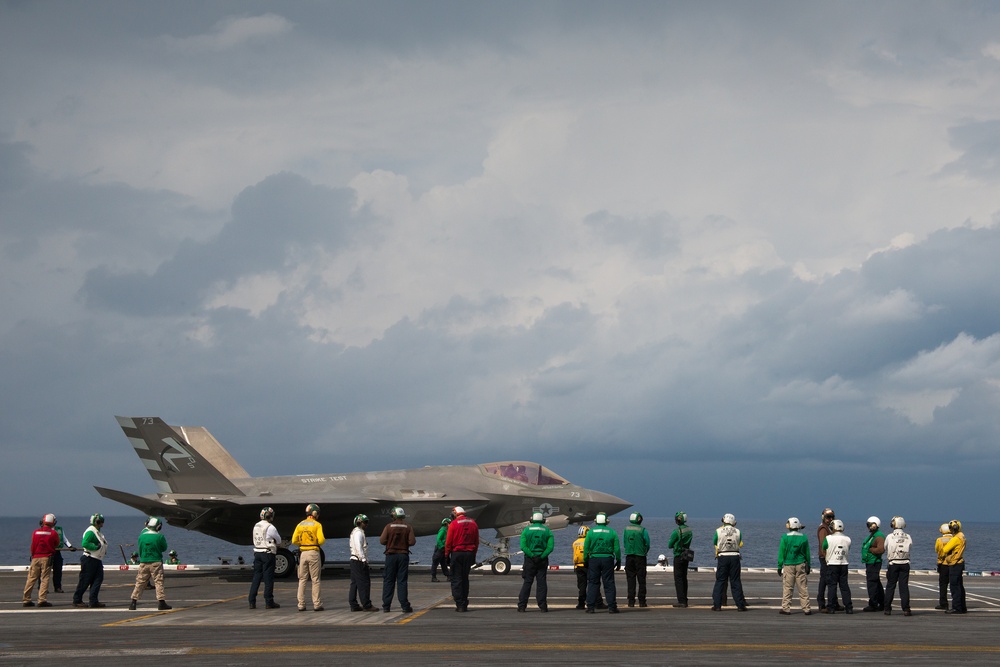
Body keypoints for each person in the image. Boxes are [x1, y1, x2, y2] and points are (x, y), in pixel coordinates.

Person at [129, 516, 172, 611]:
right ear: (158, 526)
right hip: (156, 561)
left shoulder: (142, 536)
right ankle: (161, 602)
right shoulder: (159, 536)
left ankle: (133, 602)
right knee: (158, 582)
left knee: (140, 582)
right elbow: (164, 548)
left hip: (144, 561)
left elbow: (139, 549)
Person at [380, 506, 416, 613]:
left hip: (391, 556)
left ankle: (386, 606)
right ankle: (405, 606)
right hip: (403, 555)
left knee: (388, 581)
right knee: (402, 581)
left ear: (393, 515)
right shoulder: (408, 527)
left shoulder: (388, 526)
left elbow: (382, 541)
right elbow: (412, 542)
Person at [583, 511, 621, 614]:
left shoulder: (590, 532)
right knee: (609, 583)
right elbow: (617, 549)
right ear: (606, 521)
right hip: (608, 559)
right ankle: (612, 607)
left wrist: (586, 560)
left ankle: (590, 607)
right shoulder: (612, 532)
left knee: (593, 583)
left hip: (594, 559)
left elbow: (586, 548)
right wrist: (618, 560)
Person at [292, 503, 325, 612]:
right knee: (315, 579)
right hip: (313, 552)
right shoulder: (317, 525)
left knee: (302, 579)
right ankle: (317, 604)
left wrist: (303, 543)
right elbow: (321, 541)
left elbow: (294, 541)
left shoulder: (300, 524)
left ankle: (301, 604)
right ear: (315, 513)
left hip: (303, 553)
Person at [518, 511, 554, 612]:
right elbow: (550, 547)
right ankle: (543, 606)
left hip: (530, 560)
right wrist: (541, 556)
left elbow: (523, 546)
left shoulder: (526, 530)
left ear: (532, 520)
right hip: (542, 560)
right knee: (541, 583)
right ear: (542, 520)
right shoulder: (547, 531)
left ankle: (522, 606)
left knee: (527, 582)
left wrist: (532, 555)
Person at [445, 506, 479, 612]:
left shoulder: (454, 524)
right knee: (465, 578)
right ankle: (464, 602)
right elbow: (476, 541)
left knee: (456, 579)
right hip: (469, 553)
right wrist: (473, 554)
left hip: (457, 553)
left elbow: (448, 542)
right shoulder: (473, 523)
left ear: (455, 514)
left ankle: (459, 604)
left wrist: (446, 555)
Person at [712, 513, 748, 612]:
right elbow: (740, 543)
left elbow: (715, 542)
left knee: (720, 581)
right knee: (735, 581)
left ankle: (717, 605)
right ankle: (740, 605)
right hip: (735, 557)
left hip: (723, 556)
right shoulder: (738, 531)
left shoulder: (718, 531)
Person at [248, 506, 281, 610]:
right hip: (267, 554)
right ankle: (269, 601)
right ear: (269, 516)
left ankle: (251, 601)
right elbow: (278, 540)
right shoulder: (270, 527)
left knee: (256, 577)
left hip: (257, 553)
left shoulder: (256, 526)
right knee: (268, 578)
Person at [776, 517, 811, 615]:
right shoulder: (804, 537)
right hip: (801, 564)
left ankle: (786, 608)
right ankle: (806, 608)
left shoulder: (785, 537)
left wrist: (779, 566)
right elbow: (807, 553)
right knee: (803, 587)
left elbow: (781, 553)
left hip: (788, 565)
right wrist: (809, 564)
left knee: (788, 587)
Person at [23, 513, 59, 607]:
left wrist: (33, 554)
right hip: (47, 557)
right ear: (53, 522)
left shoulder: (35, 532)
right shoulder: (53, 533)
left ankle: (26, 599)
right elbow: (56, 543)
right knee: (44, 578)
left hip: (35, 557)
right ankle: (42, 599)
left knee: (31, 578)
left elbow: (33, 545)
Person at [73, 513, 109, 608]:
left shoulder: (97, 532)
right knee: (85, 580)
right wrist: (95, 547)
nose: (102, 523)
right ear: (96, 522)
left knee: (98, 580)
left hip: (96, 559)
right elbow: (85, 543)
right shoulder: (91, 531)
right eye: (100, 521)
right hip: (89, 559)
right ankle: (77, 600)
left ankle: (93, 601)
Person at [822, 519, 853, 613]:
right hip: (844, 564)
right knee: (844, 586)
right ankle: (849, 607)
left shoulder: (828, 538)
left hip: (832, 564)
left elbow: (824, 547)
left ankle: (831, 607)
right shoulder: (848, 539)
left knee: (832, 586)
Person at [883, 516, 912, 616]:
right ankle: (906, 609)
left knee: (890, 586)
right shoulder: (908, 536)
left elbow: (885, 547)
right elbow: (910, 546)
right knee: (904, 587)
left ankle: (887, 608)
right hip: (905, 563)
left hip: (893, 563)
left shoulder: (889, 536)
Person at [349, 513, 376, 611]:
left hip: (354, 560)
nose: (367, 524)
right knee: (364, 583)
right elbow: (358, 546)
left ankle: (353, 604)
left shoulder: (355, 532)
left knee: (355, 583)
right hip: (359, 561)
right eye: (365, 522)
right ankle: (367, 605)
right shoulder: (359, 533)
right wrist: (363, 559)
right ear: (360, 522)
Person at [622, 511, 650, 608]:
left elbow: (624, 542)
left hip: (629, 556)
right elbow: (647, 543)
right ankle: (642, 601)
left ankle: (631, 601)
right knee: (641, 579)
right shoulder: (643, 530)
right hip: (640, 556)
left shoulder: (626, 529)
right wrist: (644, 551)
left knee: (630, 579)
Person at [816, 508, 841, 612]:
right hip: (825, 558)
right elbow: (823, 545)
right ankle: (822, 603)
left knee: (830, 581)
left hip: (829, 558)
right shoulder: (823, 529)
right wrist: (826, 557)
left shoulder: (829, 528)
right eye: (828, 517)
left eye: (832, 517)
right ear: (823, 517)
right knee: (825, 581)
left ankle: (834, 602)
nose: (830, 519)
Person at [572, 526, 604, 609]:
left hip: (578, 566)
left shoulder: (575, 543)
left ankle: (581, 603)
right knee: (594, 583)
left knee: (581, 586)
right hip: (588, 565)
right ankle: (598, 603)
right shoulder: (588, 541)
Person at [940, 519, 967, 614]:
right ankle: (962, 606)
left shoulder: (955, 539)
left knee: (954, 586)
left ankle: (956, 607)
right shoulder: (962, 536)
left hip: (954, 563)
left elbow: (945, 549)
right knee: (960, 586)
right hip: (960, 562)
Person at [667, 511, 693, 608]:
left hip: (678, 555)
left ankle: (681, 601)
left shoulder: (676, 532)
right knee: (684, 577)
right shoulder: (689, 530)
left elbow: (669, 545)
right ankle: (685, 599)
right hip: (686, 556)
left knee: (678, 578)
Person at [861, 516, 886, 612]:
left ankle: (873, 604)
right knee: (876, 583)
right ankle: (882, 602)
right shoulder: (873, 535)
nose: (868, 527)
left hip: (874, 562)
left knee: (872, 583)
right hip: (871, 562)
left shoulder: (878, 536)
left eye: (869, 525)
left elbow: (881, 549)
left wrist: (871, 550)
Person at [51, 518, 75, 594]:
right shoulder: (44, 530)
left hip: (57, 552)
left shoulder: (59, 530)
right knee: (44, 572)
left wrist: (70, 546)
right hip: (48, 552)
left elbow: (64, 539)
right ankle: (42, 587)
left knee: (58, 571)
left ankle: (57, 587)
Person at [934, 523, 952, 610]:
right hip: (953, 564)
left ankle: (943, 603)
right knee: (955, 584)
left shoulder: (939, 540)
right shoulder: (954, 538)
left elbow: (937, 550)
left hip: (943, 564)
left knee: (943, 584)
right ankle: (958, 602)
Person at [431, 517, 451, 582]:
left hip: (443, 549)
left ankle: (448, 576)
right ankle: (433, 577)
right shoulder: (443, 530)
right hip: (440, 549)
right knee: (435, 563)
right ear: (446, 523)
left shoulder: (446, 530)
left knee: (444, 563)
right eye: (449, 523)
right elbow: (438, 539)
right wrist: (442, 546)